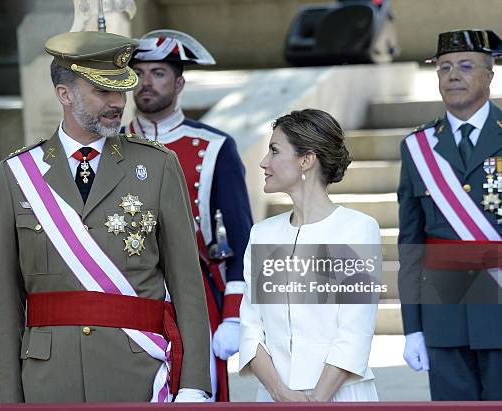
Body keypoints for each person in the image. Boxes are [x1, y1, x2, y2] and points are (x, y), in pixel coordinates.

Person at [0, 30, 211, 403]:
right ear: (65, 94)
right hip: (48, 380)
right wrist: (9, 399)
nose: (117, 103)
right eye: (103, 91)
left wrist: (193, 384)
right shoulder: (16, 174)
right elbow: (5, 302)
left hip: (136, 375)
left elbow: (187, 285)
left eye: (121, 90)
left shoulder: (157, 166)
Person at [124, 30, 253, 401]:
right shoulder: (111, 143)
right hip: (129, 292)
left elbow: (242, 237)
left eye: (158, 73)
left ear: (180, 82)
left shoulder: (214, 147)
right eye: (140, 73)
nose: (146, 83)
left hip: (197, 296)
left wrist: (233, 314)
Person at [239, 109, 380, 402]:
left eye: (275, 151)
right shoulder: (262, 234)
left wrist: (315, 403)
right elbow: (251, 328)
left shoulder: (357, 230)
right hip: (274, 398)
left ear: (306, 159)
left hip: (339, 396)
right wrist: (280, 393)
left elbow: (354, 331)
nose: (264, 162)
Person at [398, 29, 502, 400]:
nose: (452, 74)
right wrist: (413, 327)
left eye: (464, 65)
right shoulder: (417, 147)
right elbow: (410, 244)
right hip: (444, 314)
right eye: (444, 67)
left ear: (489, 75)